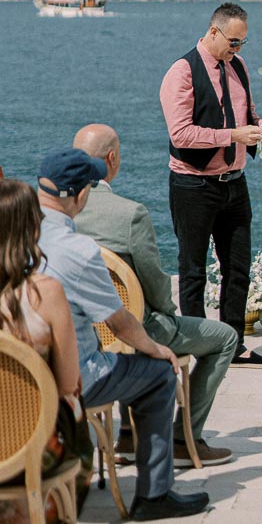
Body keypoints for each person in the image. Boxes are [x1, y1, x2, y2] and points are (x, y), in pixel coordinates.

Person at [37, 147, 209, 521]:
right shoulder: (76, 250)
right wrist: (155, 348)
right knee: (157, 376)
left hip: (22, 376)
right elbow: (119, 322)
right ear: (82, 195)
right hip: (75, 379)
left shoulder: (17, 233)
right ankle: (154, 494)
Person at [73, 123, 238, 467]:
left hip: (81, 336)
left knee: (121, 333)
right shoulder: (130, 214)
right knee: (224, 338)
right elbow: (154, 282)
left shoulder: (60, 217)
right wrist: (168, 313)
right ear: (113, 159)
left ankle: (129, 436)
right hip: (134, 330)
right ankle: (182, 438)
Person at [160, 2, 262, 368]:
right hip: (193, 185)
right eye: (233, 42)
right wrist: (232, 134)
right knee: (193, 271)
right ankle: (197, 348)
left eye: (243, 43)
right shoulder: (182, 72)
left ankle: (234, 344)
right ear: (213, 32)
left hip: (234, 184)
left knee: (238, 269)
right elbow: (181, 134)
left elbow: (247, 115)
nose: (238, 49)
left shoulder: (237, 67)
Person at [0, 177, 90, 524]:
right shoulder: (46, 293)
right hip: (32, 447)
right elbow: (68, 384)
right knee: (74, 405)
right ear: (31, 229)